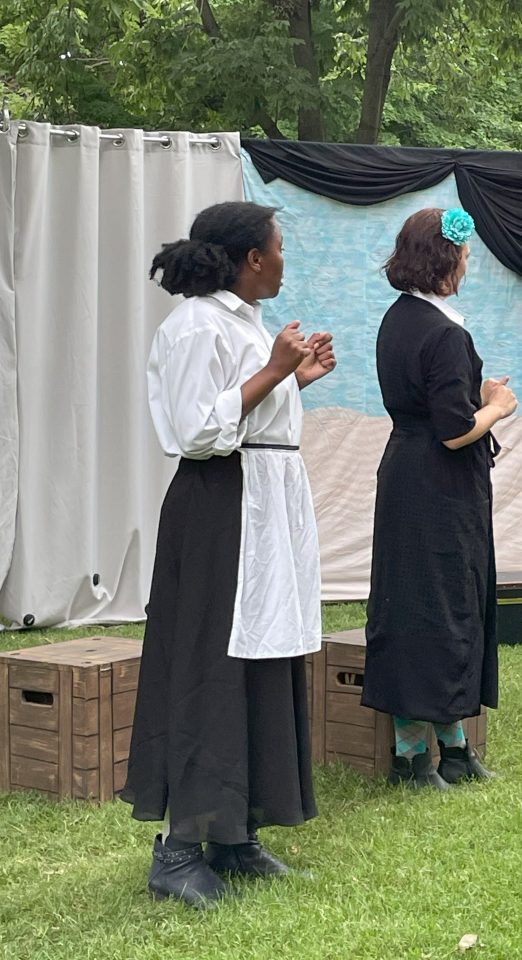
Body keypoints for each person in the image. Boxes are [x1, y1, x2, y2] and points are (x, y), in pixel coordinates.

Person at [121, 201, 336, 909]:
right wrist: (274, 371)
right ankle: (179, 849)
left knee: (260, 659)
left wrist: (291, 381)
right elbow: (196, 430)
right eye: (277, 249)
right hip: (221, 505)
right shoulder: (194, 326)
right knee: (210, 663)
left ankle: (234, 833)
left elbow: (243, 410)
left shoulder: (241, 322)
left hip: (263, 498)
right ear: (251, 257)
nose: (283, 260)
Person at [362, 206, 517, 790]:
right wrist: (496, 407)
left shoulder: (396, 320)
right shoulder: (447, 332)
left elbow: (424, 401)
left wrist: (471, 392)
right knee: (445, 606)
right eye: (465, 253)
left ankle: (447, 750)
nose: (469, 262)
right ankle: (417, 759)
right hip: (441, 486)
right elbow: (455, 431)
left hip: (404, 475)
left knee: (413, 607)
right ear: (446, 259)